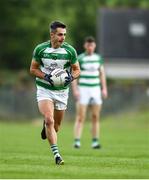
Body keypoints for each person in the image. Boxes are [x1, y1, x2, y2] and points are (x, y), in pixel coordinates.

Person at [30, 21, 80, 165]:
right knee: (49, 120)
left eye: (64, 35)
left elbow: (77, 70)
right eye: (59, 34)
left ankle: (46, 126)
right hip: (44, 89)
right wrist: (47, 77)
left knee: (56, 126)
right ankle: (57, 155)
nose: (63, 37)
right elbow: (33, 69)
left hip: (62, 92)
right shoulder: (40, 49)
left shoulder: (70, 51)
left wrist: (71, 77)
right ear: (52, 35)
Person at [72, 36, 108, 149]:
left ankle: (95, 141)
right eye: (88, 45)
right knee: (80, 116)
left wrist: (104, 88)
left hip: (95, 89)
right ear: (85, 46)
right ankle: (77, 141)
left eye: (92, 45)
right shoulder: (80, 58)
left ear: (94, 46)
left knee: (95, 116)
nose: (90, 47)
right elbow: (74, 75)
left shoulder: (98, 58)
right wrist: (75, 90)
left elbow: (102, 74)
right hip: (83, 89)